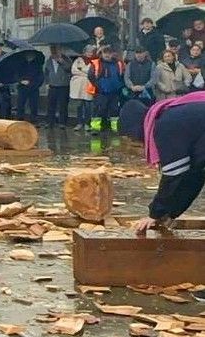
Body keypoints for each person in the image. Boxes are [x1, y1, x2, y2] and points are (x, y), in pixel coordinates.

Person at [128, 94, 205, 235]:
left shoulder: (166, 124)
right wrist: (171, 213)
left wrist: (155, 214)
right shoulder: (172, 115)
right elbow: (193, 178)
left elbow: (173, 175)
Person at [87, 46, 126, 135]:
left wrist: (119, 87)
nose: (107, 55)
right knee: (98, 110)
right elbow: (90, 76)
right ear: (102, 54)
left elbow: (122, 75)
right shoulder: (97, 63)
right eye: (105, 53)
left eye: (109, 53)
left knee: (114, 111)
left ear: (112, 54)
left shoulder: (118, 63)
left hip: (114, 92)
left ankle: (115, 128)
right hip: (100, 92)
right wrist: (98, 86)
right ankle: (95, 128)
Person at [43, 47, 73, 127]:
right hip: (52, 86)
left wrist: (61, 61)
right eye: (53, 52)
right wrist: (47, 83)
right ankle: (50, 122)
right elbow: (46, 72)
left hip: (63, 86)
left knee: (63, 105)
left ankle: (62, 122)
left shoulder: (66, 59)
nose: (55, 53)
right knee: (51, 105)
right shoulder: (49, 61)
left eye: (56, 51)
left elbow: (70, 69)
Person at [70, 47, 95, 129]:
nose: (89, 54)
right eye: (88, 52)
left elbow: (92, 73)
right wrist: (85, 72)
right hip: (78, 86)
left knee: (88, 105)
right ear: (84, 52)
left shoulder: (94, 61)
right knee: (79, 105)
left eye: (91, 52)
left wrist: (81, 71)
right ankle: (79, 123)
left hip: (88, 85)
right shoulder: (78, 60)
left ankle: (87, 123)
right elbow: (74, 71)